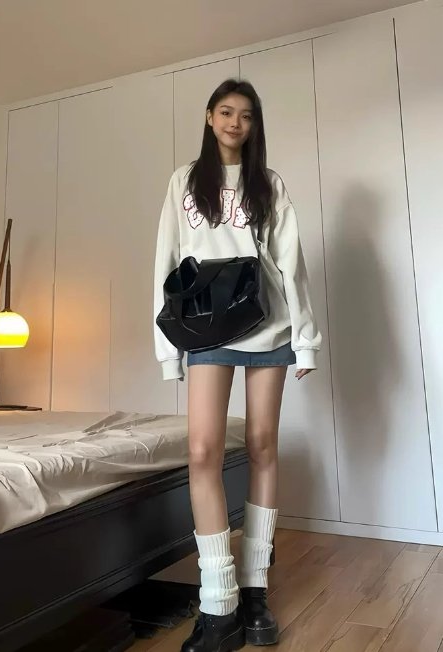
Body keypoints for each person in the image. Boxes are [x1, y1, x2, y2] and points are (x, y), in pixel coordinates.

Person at [153, 78, 321, 652]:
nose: (235, 123)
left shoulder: (267, 183)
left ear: (254, 125)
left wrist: (306, 340)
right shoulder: (184, 181)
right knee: (202, 450)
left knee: (261, 444)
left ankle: (254, 591)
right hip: (206, 327)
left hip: (267, 324)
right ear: (209, 116)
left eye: (246, 115)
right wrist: (168, 348)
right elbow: (167, 259)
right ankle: (218, 602)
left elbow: (290, 260)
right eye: (226, 112)